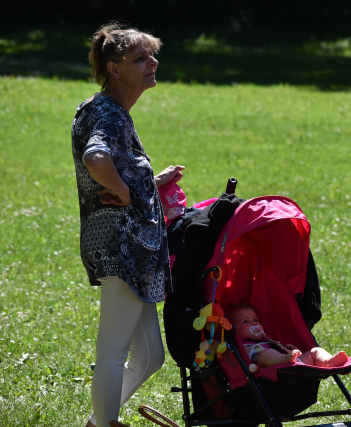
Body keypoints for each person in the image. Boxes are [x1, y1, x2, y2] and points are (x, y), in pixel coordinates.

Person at [71, 23, 184, 427]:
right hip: (122, 245)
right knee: (114, 351)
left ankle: (96, 421)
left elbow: (111, 164)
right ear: (114, 68)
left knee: (150, 356)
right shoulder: (107, 113)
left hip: (130, 246)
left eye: (152, 55)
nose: (152, 62)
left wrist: (148, 183)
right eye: (140, 58)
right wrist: (122, 190)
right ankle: (104, 424)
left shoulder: (108, 109)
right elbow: (96, 157)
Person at [226, 303, 349, 368]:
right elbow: (261, 357)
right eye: (245, 322)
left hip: (292, 363)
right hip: (270, 369)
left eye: (255, 320)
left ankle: (328, 362)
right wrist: (284, 358)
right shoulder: (242, 346)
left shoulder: (268, 341)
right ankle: (284, 359)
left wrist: (286, 349)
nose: (253, 323)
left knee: (316, 351)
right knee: (264, 354)